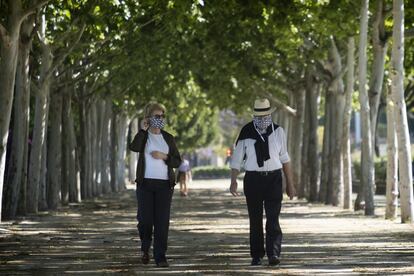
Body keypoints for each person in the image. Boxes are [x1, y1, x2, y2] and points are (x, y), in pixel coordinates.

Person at [229, 98, 296, 266]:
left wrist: (290, 183)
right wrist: (233, 181)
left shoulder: (278, 131)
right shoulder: (246, 132)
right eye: (259, 115)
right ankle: (257, 254)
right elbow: (236, 159)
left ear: (269, 114)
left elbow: (284, 158)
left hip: (274, 178)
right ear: (254, 116)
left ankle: (273, 254)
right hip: (253, 179)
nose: (262, 119)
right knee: (255, 219)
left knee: (273, 218)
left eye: (265, 115)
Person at [129, 102, 182, 267]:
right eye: (157, 116)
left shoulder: (168, 138)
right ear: (149, 118)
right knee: (145, 220)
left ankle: (160, 257)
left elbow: (177, 161)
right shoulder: (144, 137)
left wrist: (164, 156)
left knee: (161, 222)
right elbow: (134, 147)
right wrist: (142, 130)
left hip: (164, 186)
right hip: (145, 184)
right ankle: (145, 247)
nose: (160, 119)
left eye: (162, 116)